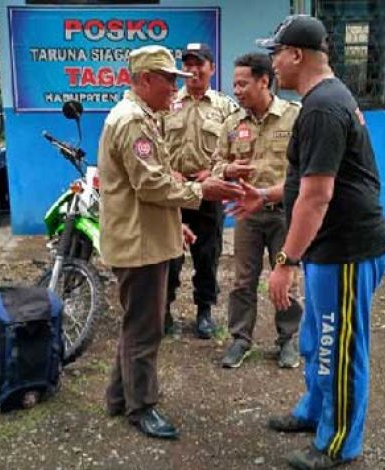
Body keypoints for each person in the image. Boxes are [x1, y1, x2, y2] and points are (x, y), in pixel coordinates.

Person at [235, 15, 385, 469]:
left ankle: (340, 442)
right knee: (315, 339)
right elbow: (312, 182)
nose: (273, 63)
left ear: (297, 55)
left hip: (347, 249)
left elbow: (319, 194)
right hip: (330, 249)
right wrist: (265, 195)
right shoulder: (322, 101)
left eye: (276, 53)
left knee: (338, 347)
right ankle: (315, 412)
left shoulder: (323, 106)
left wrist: (285, 261)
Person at [98, 45, 244, 440]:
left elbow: (147, 184)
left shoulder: (144, 116)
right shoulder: (133, 122)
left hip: (145, 233)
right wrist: (201, 191)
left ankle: (118, 396)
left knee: (136, 322)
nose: (174, 88)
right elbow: (151, 184)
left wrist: (174, 222)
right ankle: (141, 406)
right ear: (146, 80)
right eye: (168, 80)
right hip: (139, 243)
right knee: (145, 329)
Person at [211, 52, 302, 369]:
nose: (236, 90)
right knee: (242, 280)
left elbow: (305, 170)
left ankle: (287, 340)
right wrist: (227, 169)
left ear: (264, 81)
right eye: (234, 84)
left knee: (286, 280)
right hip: (246, 213)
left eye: (242, 83)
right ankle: (240, 339)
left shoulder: (295, 117)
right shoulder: (233, 124)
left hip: (284, 214)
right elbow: (216, 164)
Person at [163, 43, 240, 338]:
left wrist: (214, 172)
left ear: (212, 68)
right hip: (173, 190)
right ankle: (165, 310)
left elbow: (238, 149)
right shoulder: (167, 103)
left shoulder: (226, 107)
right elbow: (155, 144)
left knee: (207, 254)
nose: (193, 70)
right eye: (188, 64)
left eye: (200, 64)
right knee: (168, 254)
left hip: (208, 192)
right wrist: (169, 172)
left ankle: (204, 311)